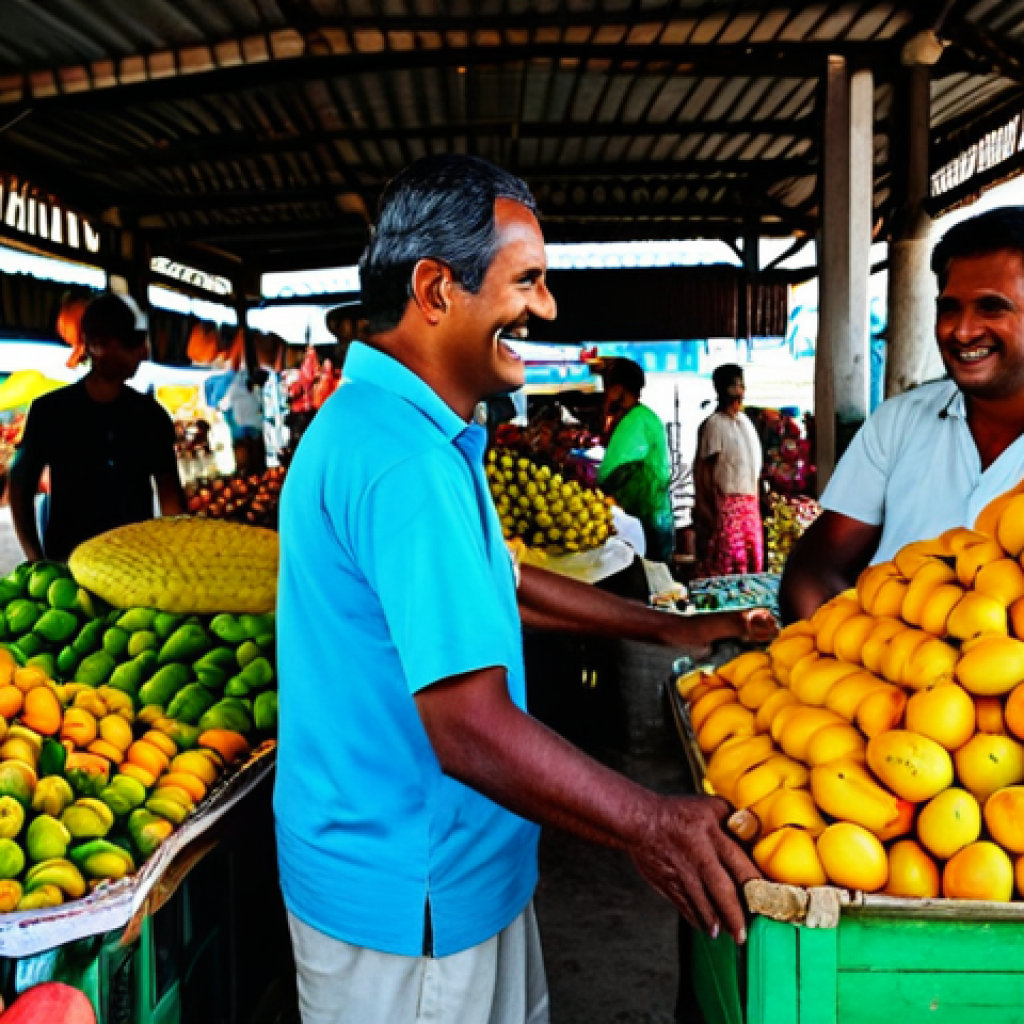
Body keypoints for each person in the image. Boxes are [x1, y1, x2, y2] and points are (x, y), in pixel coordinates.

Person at [276, 154, 768, 1024]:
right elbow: (467, 728)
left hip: (452, 868)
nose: (545, 307)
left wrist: (666, 628)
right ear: (435, 289)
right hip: (412, 897)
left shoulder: (410, 430)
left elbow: (507, 587)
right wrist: (650, 823)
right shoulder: (402, 462)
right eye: (528, 280)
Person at [780, 206, 1024, 622]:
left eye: (991, 307)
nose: (962, 331)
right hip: (885, 675)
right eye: (949, 308)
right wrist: (861, 660)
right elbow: (814, 571)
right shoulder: (898, 424)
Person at [9, 293, 184, 563]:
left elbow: (170, 493)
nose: (144, 352)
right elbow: (20, 484)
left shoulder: (151, 416)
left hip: (137, 564)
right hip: (69, 563)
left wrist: (178, 553)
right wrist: (34, 556)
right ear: (96, 346)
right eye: (133, 343)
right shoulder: (51, 412)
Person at [597, 358, 676, 562]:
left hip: (647, 524)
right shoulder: (639, 417)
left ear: (620, 389)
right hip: (652, 520)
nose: (606, 393)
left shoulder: (637, 420)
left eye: (609, 387)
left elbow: (617, 471)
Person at [694, 364, 764, 576]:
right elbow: (704, 470)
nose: (739, 390)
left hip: (751, 505)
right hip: (727, 506)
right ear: (720, 389)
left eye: (741, 384)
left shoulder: (746, 423)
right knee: (730, 564)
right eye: (733, 385)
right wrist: (707, 509)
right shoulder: (714, 424)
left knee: (753, 564)